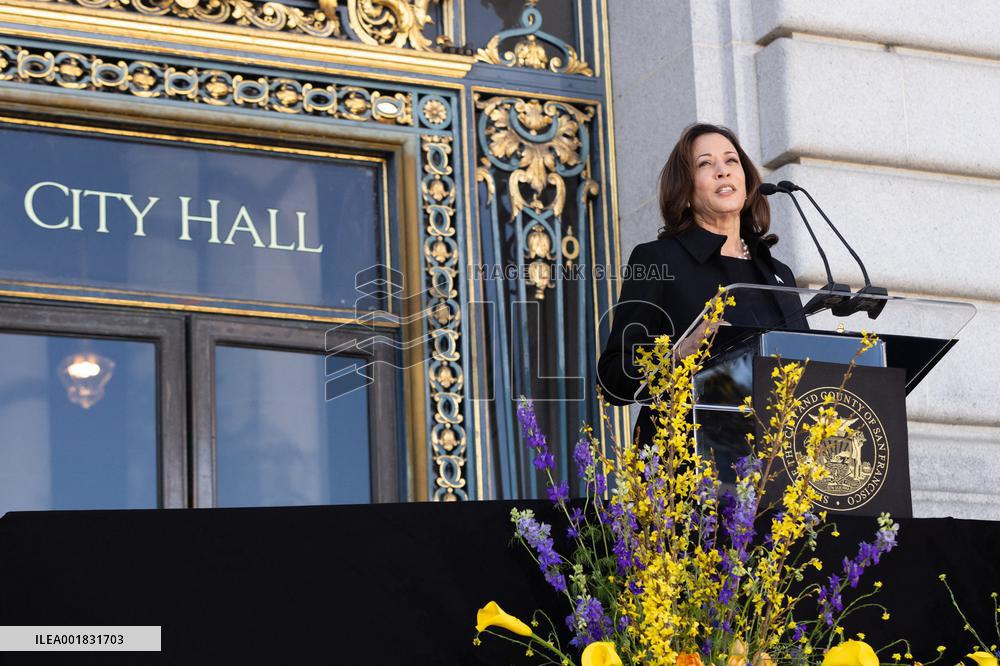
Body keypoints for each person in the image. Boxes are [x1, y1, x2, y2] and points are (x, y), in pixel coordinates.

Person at [597, 122, 805, 447]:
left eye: (731, 161)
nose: (722, 171)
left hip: (775, 467)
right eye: (705, 163)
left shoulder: (778, 274)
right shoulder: (657, 260)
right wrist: (678, 354)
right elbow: (613, 378)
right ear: (687, 190)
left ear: (747, 180)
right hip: (686, 464)